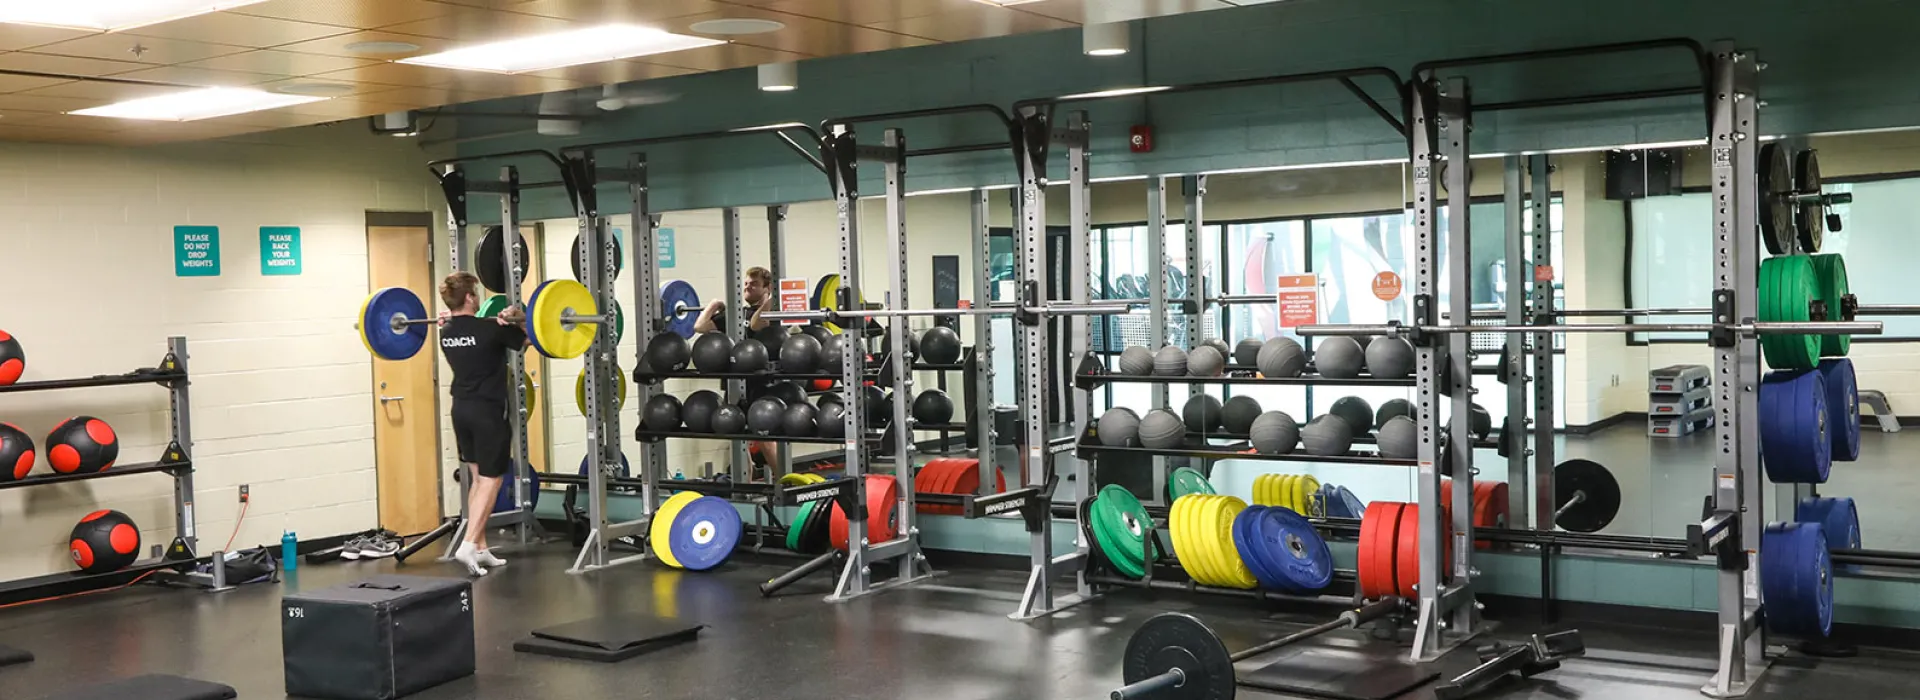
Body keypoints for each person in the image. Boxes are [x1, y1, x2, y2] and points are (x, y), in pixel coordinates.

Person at [435, 271, 530, 576]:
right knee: (492, 480)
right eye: (475, 293)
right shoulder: (490, 329)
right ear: (469, 297)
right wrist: (519, 319)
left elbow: (463, 330)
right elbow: (531, 338)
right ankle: (468, 544)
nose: (478, 298)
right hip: (488, 412)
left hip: (461, 410)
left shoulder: (445, 331)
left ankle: (480, 547)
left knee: (478, 480)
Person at [694, 265, 776, 336]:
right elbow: (700, 327)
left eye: (754, 284)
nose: (747, 287)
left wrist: (775, 296)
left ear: (769, 288)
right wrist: (715, 303)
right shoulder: (736, 313)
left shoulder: (775, 312)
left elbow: (756, 325)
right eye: (746, 284)